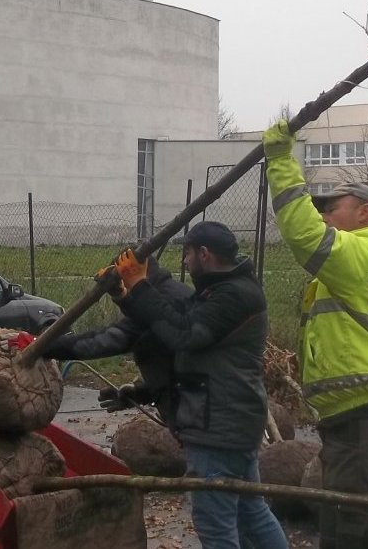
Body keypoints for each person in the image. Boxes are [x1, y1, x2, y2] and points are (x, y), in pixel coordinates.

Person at [262, 120, 368, 549]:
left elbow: (304, 235)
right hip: (353, 421)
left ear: (364, 213)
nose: (323, 214)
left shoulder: (367, 256)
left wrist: (280, 162)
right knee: (343, 532)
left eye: (333, 207)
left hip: (364, 423)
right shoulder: (361, 268)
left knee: (356, 534)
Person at [112, 221, 288, 549]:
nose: (184, 261)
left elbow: (183, 334)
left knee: (216, 524)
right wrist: (127, 296)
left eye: (188, 253)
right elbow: (173, 316)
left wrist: (139, 284)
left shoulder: (232, 295)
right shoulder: (223, 288)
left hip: (218, 424)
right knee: (251, 511)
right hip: (230, 419)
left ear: (204, 254)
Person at [43, 255, 190, 422]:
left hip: (197, 421)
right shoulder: (176, 292)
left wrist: (40, 346)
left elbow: (105, 341)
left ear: (135, 274)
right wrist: (141, 393)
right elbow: (174, 364)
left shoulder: (164, 304)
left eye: (123, 279)